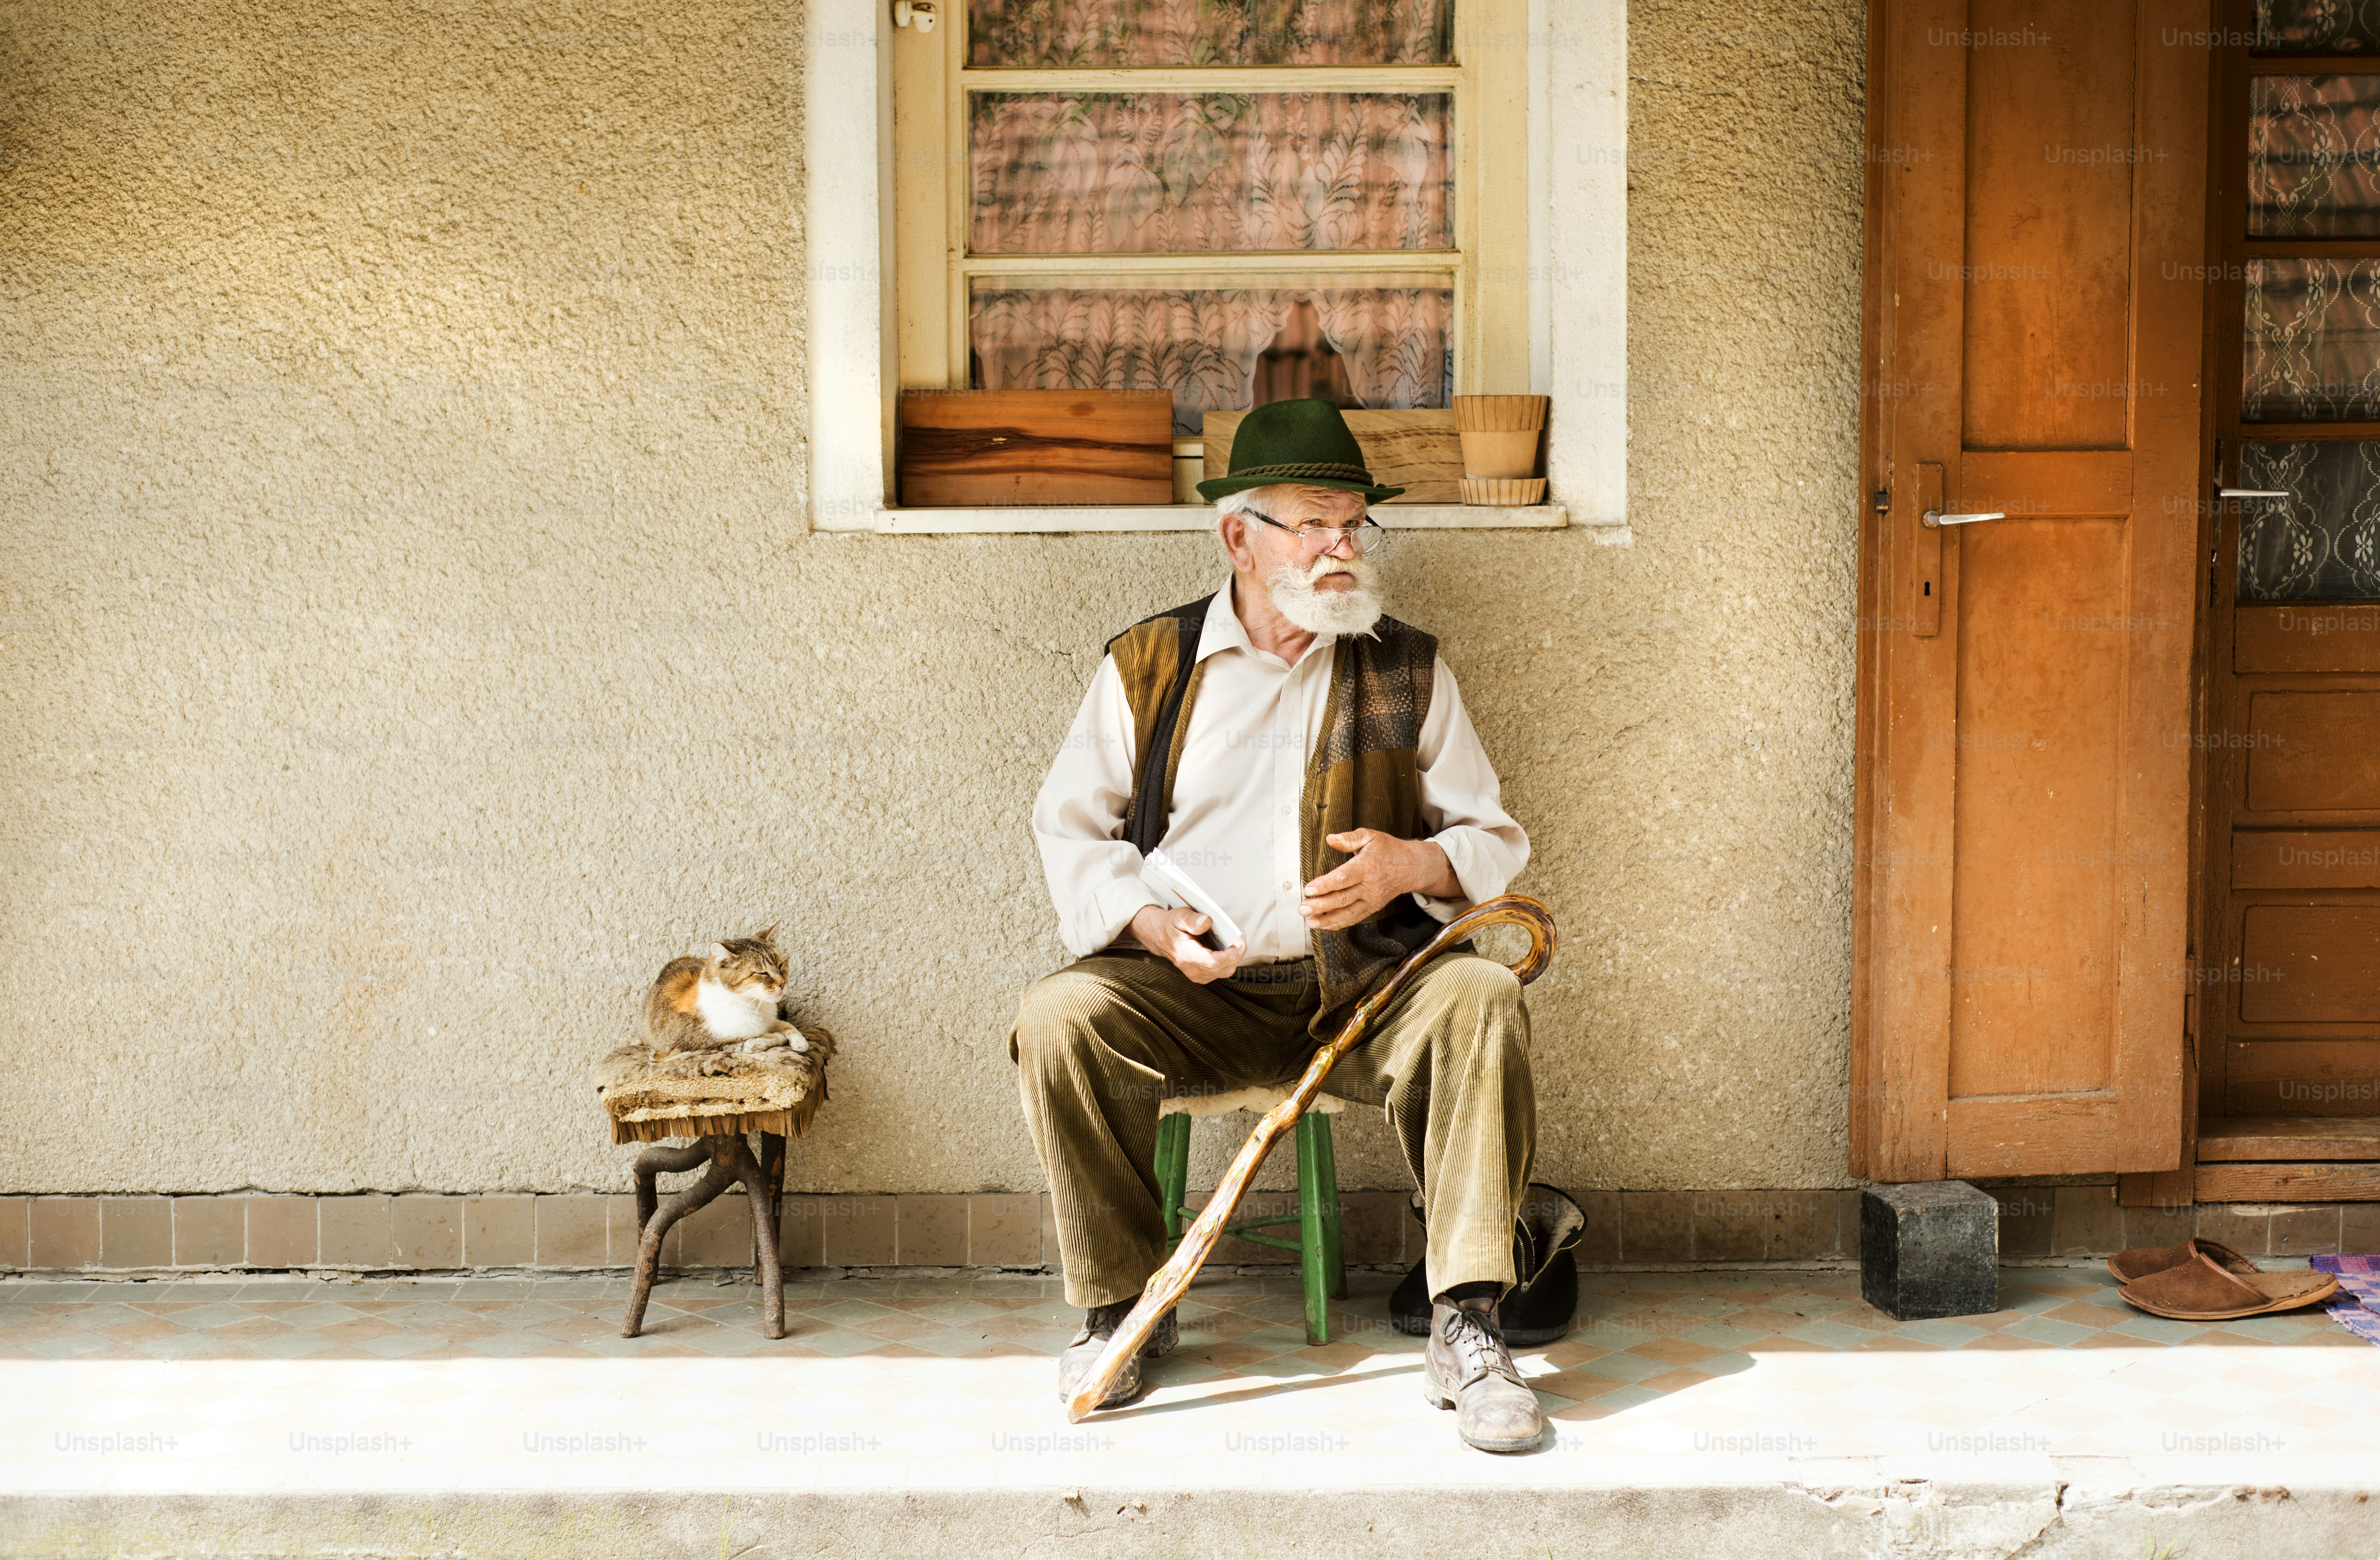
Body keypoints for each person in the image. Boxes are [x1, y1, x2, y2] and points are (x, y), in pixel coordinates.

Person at [1009, 398, 1544, 1453]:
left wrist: (1414, 865)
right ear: (1236, 536)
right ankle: (1119, 1309)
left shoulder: (1405, 666)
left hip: (1366, 985)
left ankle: (1469, 1320)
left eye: (1353, 522)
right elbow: (1070, 831)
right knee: (1060, 1016)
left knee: (1480, 994)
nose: (1340, 546)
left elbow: (1494, 838)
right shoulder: (1146, 665)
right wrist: (1155, 925)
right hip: (1193, 995)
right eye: (1311, 522)